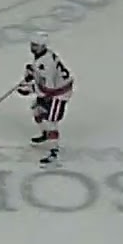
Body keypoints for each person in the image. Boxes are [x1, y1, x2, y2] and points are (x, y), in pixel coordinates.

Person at [17, 32, 73, 166]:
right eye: (32, 45)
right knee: (37, 111)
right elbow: (39, 72)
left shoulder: (46, 64)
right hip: (54, 89)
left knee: (51, 121)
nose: (33, 48)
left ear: (42, 46)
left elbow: (48, 89)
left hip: (59, 93)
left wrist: (29, 89)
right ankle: (46, 134)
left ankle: (54, 151)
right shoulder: (44, 55)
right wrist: (31, 72)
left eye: (36, 46)